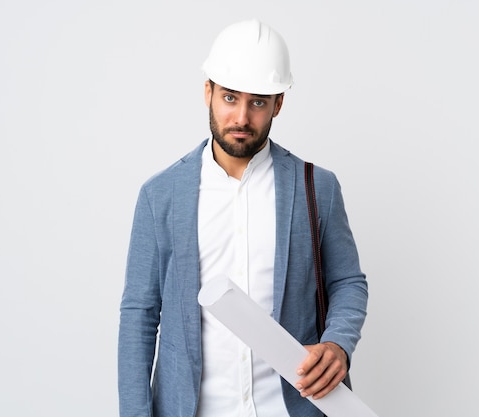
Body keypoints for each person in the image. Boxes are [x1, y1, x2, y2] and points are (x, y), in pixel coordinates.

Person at [118, 19, 368, 417]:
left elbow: (347, 282)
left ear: (278, 104)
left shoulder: (316, 188)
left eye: (257, 102)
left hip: (291, 408)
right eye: (230, 98)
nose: (241, 118)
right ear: (208, 93)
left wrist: (338, 343)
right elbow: (140, 314)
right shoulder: (160, 195)